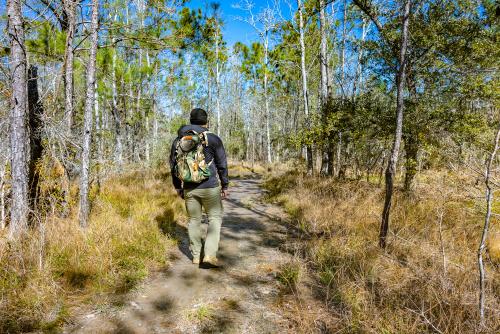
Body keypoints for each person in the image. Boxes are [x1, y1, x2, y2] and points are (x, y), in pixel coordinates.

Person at [169, 108, 229, 266]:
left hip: (189, 187)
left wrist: (178, 187)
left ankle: (196, 256)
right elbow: (222, 164)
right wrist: (225, 185)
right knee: (214, 218)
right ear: (206, 122)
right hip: (210, 187)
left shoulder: (179, 140)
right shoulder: (213, 139)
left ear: (191, 120)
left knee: (194, 220)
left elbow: (174, 166)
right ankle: (209, 255)